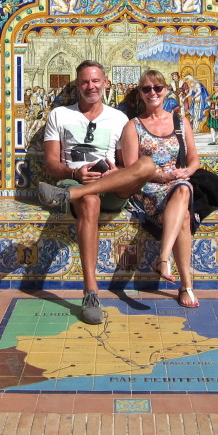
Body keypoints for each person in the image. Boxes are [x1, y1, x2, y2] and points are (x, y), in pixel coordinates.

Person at [38, 60, 156, 324]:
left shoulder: (119, 119)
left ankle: (68, 198)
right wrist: (74, 174)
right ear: (78, 85)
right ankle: (91, 291)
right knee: (89, 200)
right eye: (84, 82)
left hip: (110, 186)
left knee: (146, 164)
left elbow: (129, 164)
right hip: (76, 183)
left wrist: (116, 171)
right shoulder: (60, 115)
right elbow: (51, 165)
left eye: (95, 81)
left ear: (105, 83)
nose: (90, 86)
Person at [119, 70, 201, 308]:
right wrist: (162, 175)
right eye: (146, 89)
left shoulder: (180, 121)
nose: (152, 93)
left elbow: (195, 159)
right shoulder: (133, 127)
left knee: (184, 190)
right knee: (184, 214)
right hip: (148, 189)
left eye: (157, 88)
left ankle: (164, 259)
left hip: (177, 183)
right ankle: (185, 284)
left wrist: (187, 172)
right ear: (140, 94)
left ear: (166, 91)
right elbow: (132, 167)